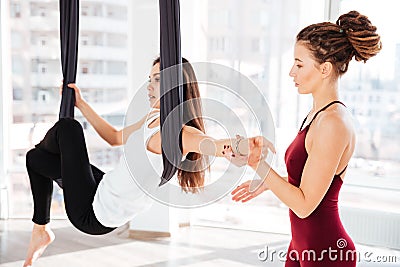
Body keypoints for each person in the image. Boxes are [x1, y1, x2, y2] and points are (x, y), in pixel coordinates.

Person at [23, 57, 274, 266]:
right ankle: (41, 230)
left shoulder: (178, 132)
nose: (149, 85)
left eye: (157, 80)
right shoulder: (152, 118)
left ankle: (41, 226)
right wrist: (80, 103)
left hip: (94, 211)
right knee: (34, 159)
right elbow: (113, 137)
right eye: (149, 79)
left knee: (68, 128)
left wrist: (241, 147)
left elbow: (214, 145)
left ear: (176, 87)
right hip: (103, 188)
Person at [227, 10, 381, 267]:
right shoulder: (318, 115)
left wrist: (257, 164)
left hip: (327, 254)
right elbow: (311, 178)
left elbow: (305, 205)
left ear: (324, 69)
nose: (291, 72)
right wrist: (268, 182)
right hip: (302, 248)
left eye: (299, 64)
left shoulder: (333, 123)